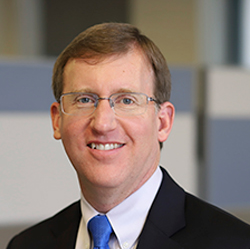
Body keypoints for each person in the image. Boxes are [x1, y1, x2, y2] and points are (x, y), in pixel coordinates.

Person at [7, 22, 250, 249]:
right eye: (84, 100)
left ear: (162, 122)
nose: (102, 124)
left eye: (126, 100)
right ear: (57, 120)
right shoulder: (27, 244)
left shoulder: (234, 242)